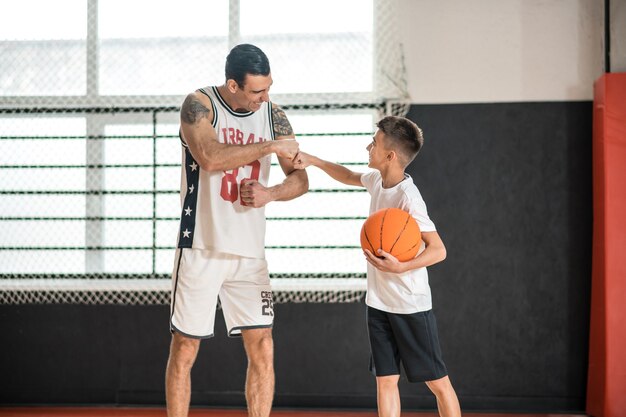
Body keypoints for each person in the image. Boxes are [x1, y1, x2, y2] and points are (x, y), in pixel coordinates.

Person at [166, 44, 308, 417]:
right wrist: (270, 146)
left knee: (263, 346)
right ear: (233, 85)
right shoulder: (200, 105)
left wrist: (271, 192)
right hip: (201, 246)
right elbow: (210, 157)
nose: (266, 97)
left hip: (249, 253)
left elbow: (301, 179)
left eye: (269, 87)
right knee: (184, 348)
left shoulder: (273, 115)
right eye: (258, 91)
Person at [293, 116, 461, 417]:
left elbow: (439, 250)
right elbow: (346, 176)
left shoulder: (409, 198)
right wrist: (314, 160)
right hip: (379, 304)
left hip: (410, 306)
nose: (368, 146)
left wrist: (401, 267)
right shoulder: (377, 180)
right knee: (385, 381)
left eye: (375, 142)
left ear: (390, 155)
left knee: (437, 382)